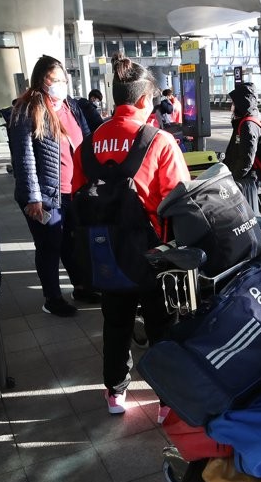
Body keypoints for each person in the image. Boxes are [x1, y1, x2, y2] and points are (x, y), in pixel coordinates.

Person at [71, 53, 190, 415]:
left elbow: (77, 194)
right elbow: (179, 196)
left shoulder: (88, 144)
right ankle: (166, 399)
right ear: (143, 99)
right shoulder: (159, 140)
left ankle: (115, 393)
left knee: (116, 320)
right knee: (160, 324)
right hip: (153, 251)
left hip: (105, 252)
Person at [7, 55, 98, 318]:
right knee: (49, 247)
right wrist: (33, 198)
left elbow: (87, 140)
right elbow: (24, 158)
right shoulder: (27, 110)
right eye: (54, 80)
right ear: (41, 81)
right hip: (46, 194)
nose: (60, 84)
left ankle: (80, 287)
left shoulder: (71, 106)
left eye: (63, 79)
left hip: (74, 189)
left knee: (71, 243)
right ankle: (52, 297)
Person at [223, 82, 261, 217]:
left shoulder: (248, 125)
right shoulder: (247, 120)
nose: (232, 107)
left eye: (234, 103)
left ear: (241, 103)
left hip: (249, 181)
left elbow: (246, 159)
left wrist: (232, 178)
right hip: (249, 179)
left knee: (252, 217)